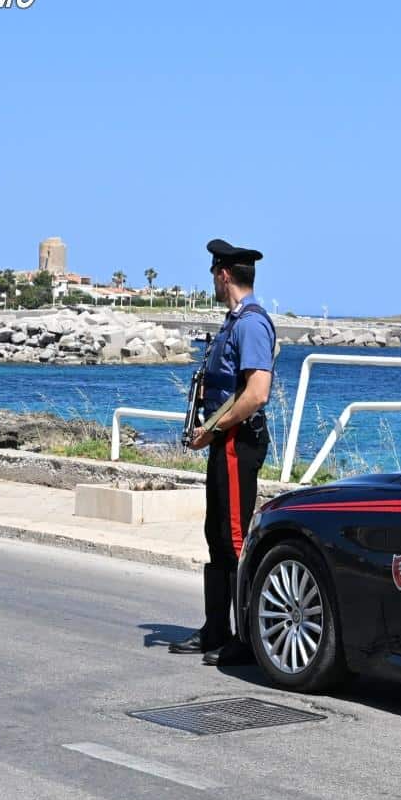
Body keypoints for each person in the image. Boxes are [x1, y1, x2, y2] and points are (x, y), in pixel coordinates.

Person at [170, 239, 277, 665]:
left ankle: (245, 640)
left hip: (236, 442)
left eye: (214, 275)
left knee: (234, 541)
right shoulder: (235, 322)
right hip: (223, 441)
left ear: (223, 275)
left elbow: (256, 394)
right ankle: (216, 628)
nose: (213, 281)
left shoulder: (251, 324)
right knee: (216, 536)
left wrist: (211, 429)